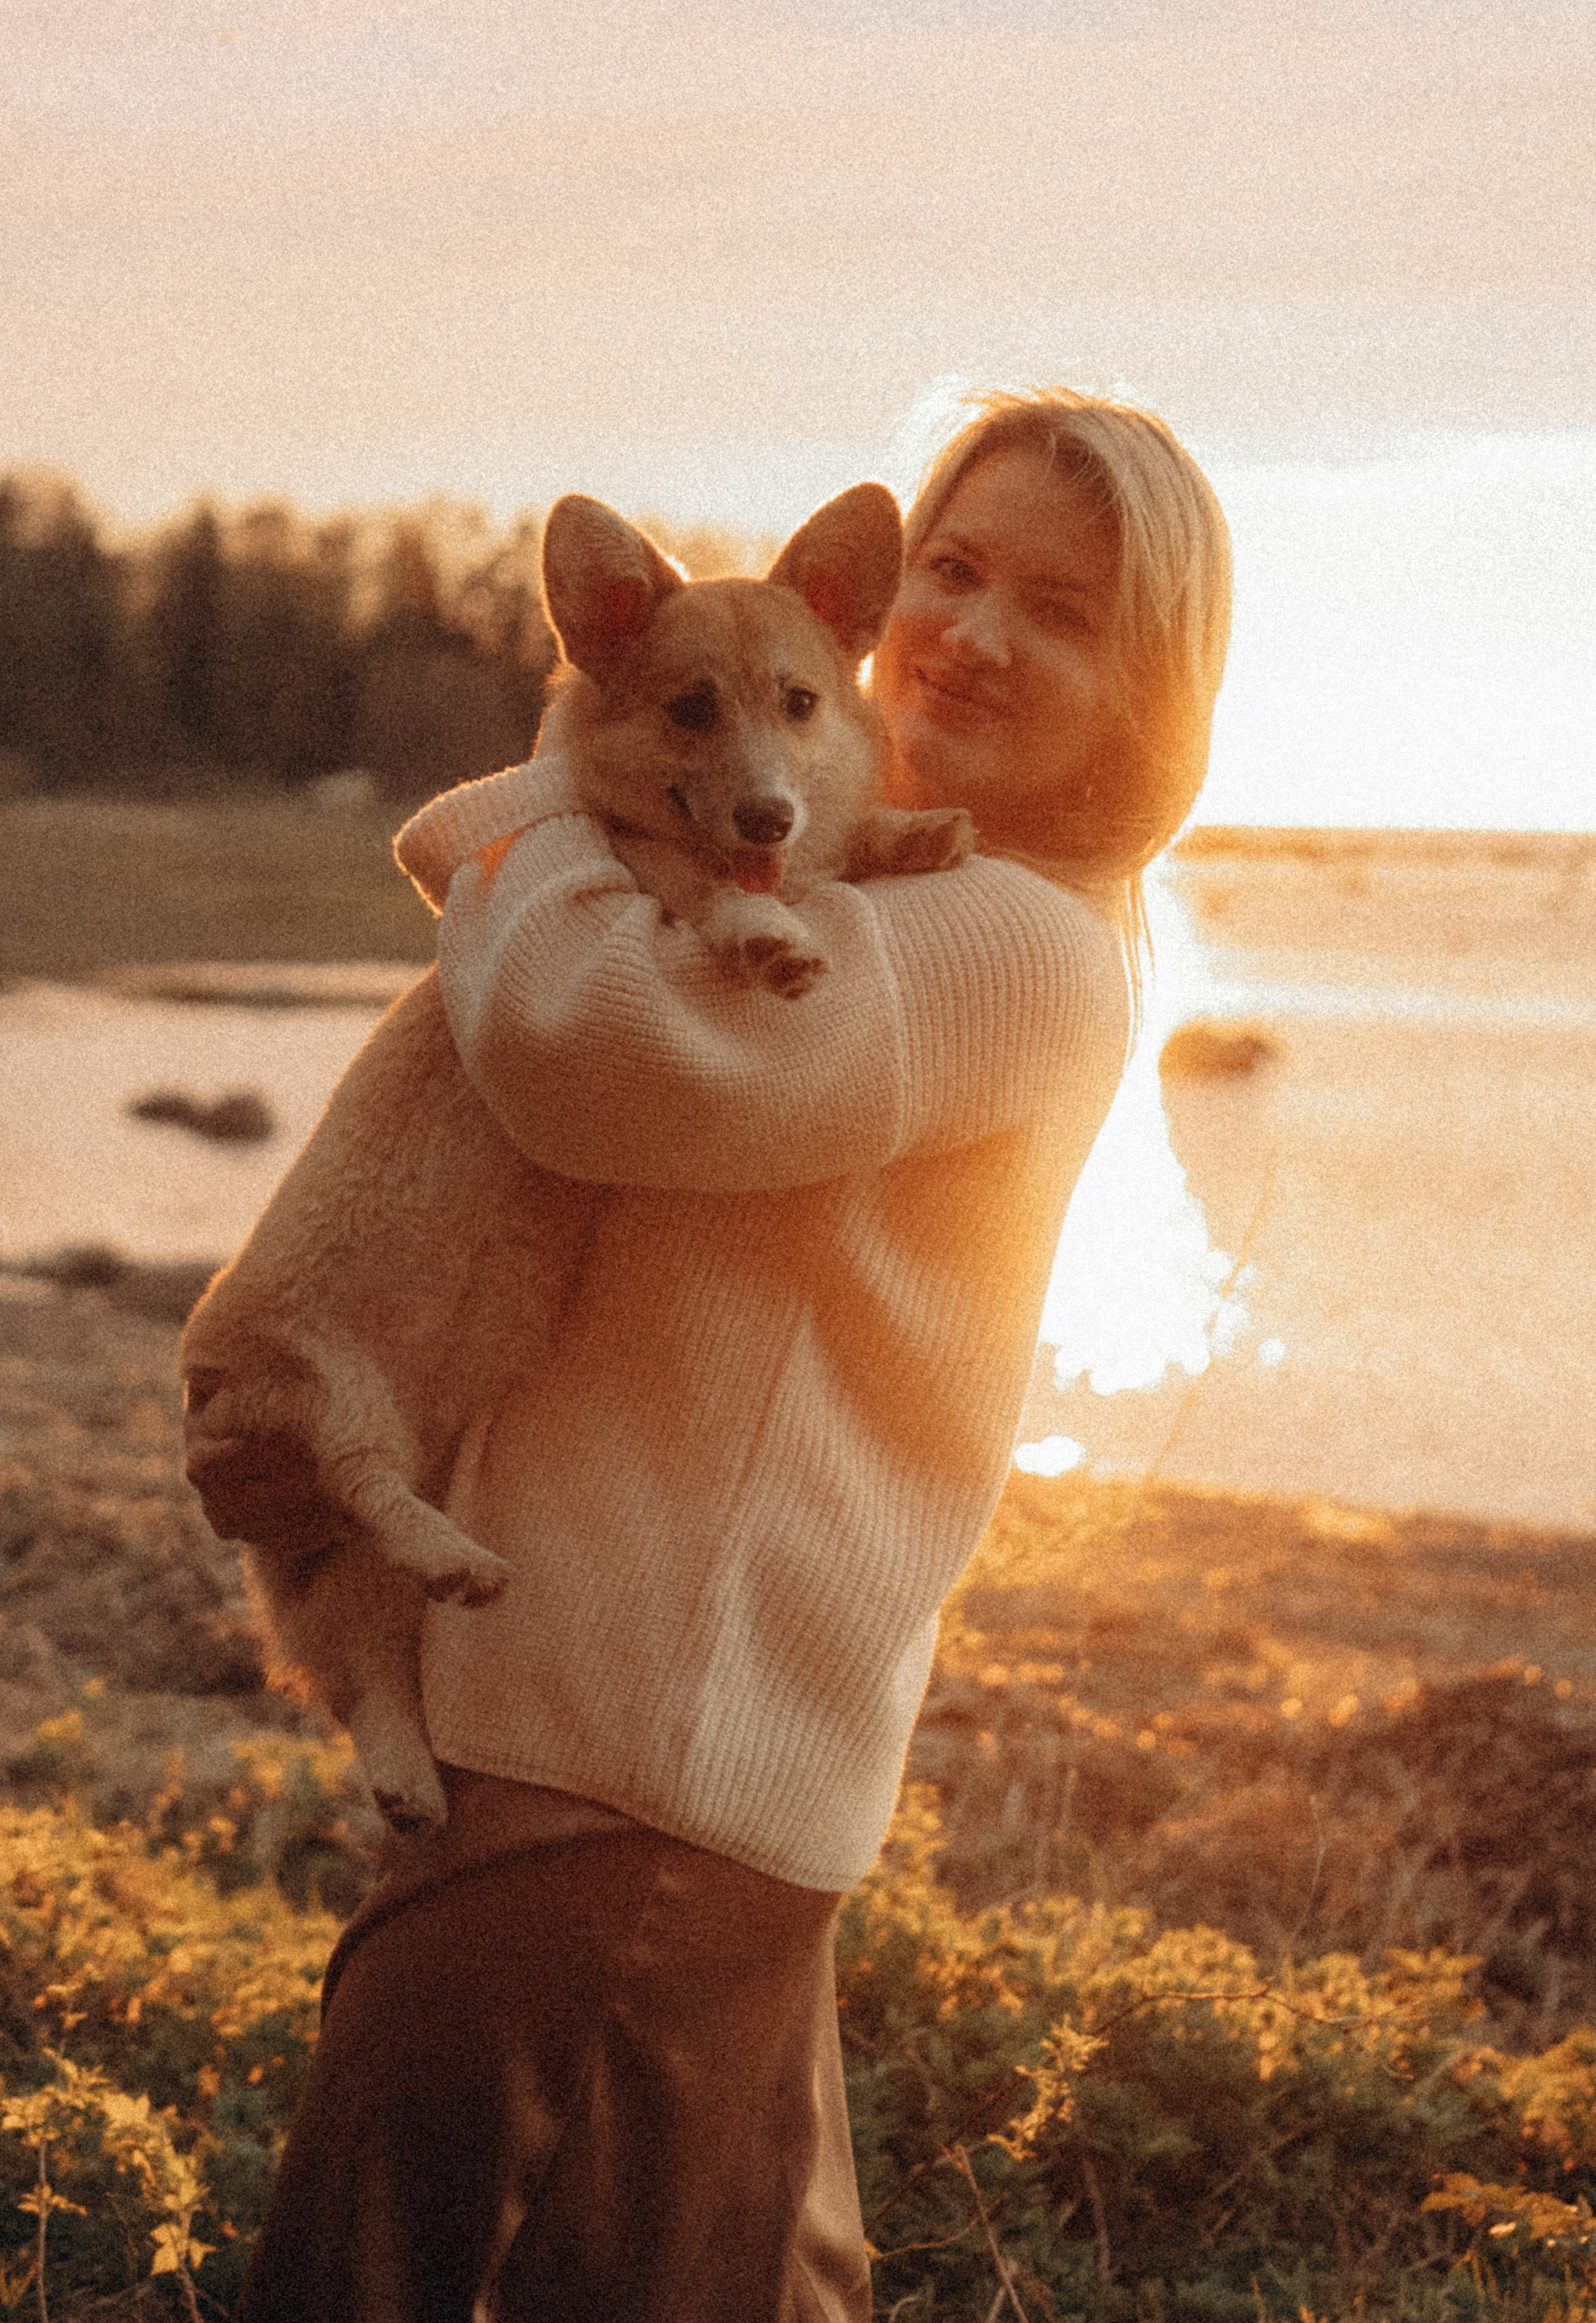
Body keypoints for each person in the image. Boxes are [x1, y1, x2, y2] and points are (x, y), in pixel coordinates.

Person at [197, 387, 1233, 2323]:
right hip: (690, 1766)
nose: (974, 632)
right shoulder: (896, 884)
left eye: (1065, 611)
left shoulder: (1006, 942)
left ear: (1147, 687)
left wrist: (531, 788)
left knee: (367, 2283)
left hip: (613, 1757)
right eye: (955, 568)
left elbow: (592, 1044)